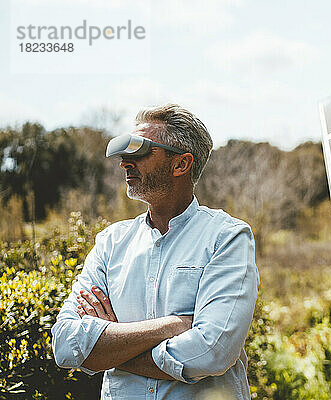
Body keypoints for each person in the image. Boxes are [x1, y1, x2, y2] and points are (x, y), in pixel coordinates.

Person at [51, 104, 260, 399]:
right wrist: (171, 326)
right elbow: (65, 344)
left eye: (139, 151)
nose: (125, 163)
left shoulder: (227, 237)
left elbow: (212, 351)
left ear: (180, 164)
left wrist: (109, 349)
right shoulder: (111, 243)